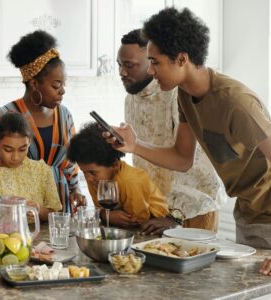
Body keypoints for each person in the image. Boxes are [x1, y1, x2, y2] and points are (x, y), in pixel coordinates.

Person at [104, 8, 271, 275]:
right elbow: (182, 159)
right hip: (248, 211)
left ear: (181, 59)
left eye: (155, 62)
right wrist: (134, 145)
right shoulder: (185, 96)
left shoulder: (237, 103)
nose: (151, 70)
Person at [117, 28, 226, 234]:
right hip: (156, 210)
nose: (122, 72)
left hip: (194, 210)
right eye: (119, 65)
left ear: (151, 61)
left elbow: (189, 162)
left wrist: (175, 216)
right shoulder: (130, 99)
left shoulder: (178, 94)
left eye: (129, 65)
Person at [0, 30, 84, 213]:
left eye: (64, 84)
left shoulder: (65, 115)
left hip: (60, 210)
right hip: (19, 212)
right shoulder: (2, 116)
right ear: (34, 84)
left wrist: (76, 190)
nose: (62, 91)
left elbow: (70, 164)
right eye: (56, 85)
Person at [67, 123, 169, 227]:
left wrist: (108, 216)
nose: (88, 178)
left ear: (114, 164)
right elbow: (100, 209)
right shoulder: (96, 179)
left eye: (92, 172)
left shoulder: (130, 181)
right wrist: (107, 215)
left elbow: (137, 221)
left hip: (155, 226)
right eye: (84, 172)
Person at [0, 112, 61, 221]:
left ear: (30, 142)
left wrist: (38, 210)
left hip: (37, 236)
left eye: (22, 149)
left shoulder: (42, 171)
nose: (15, 157)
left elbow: (55, 213)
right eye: (8, 150)